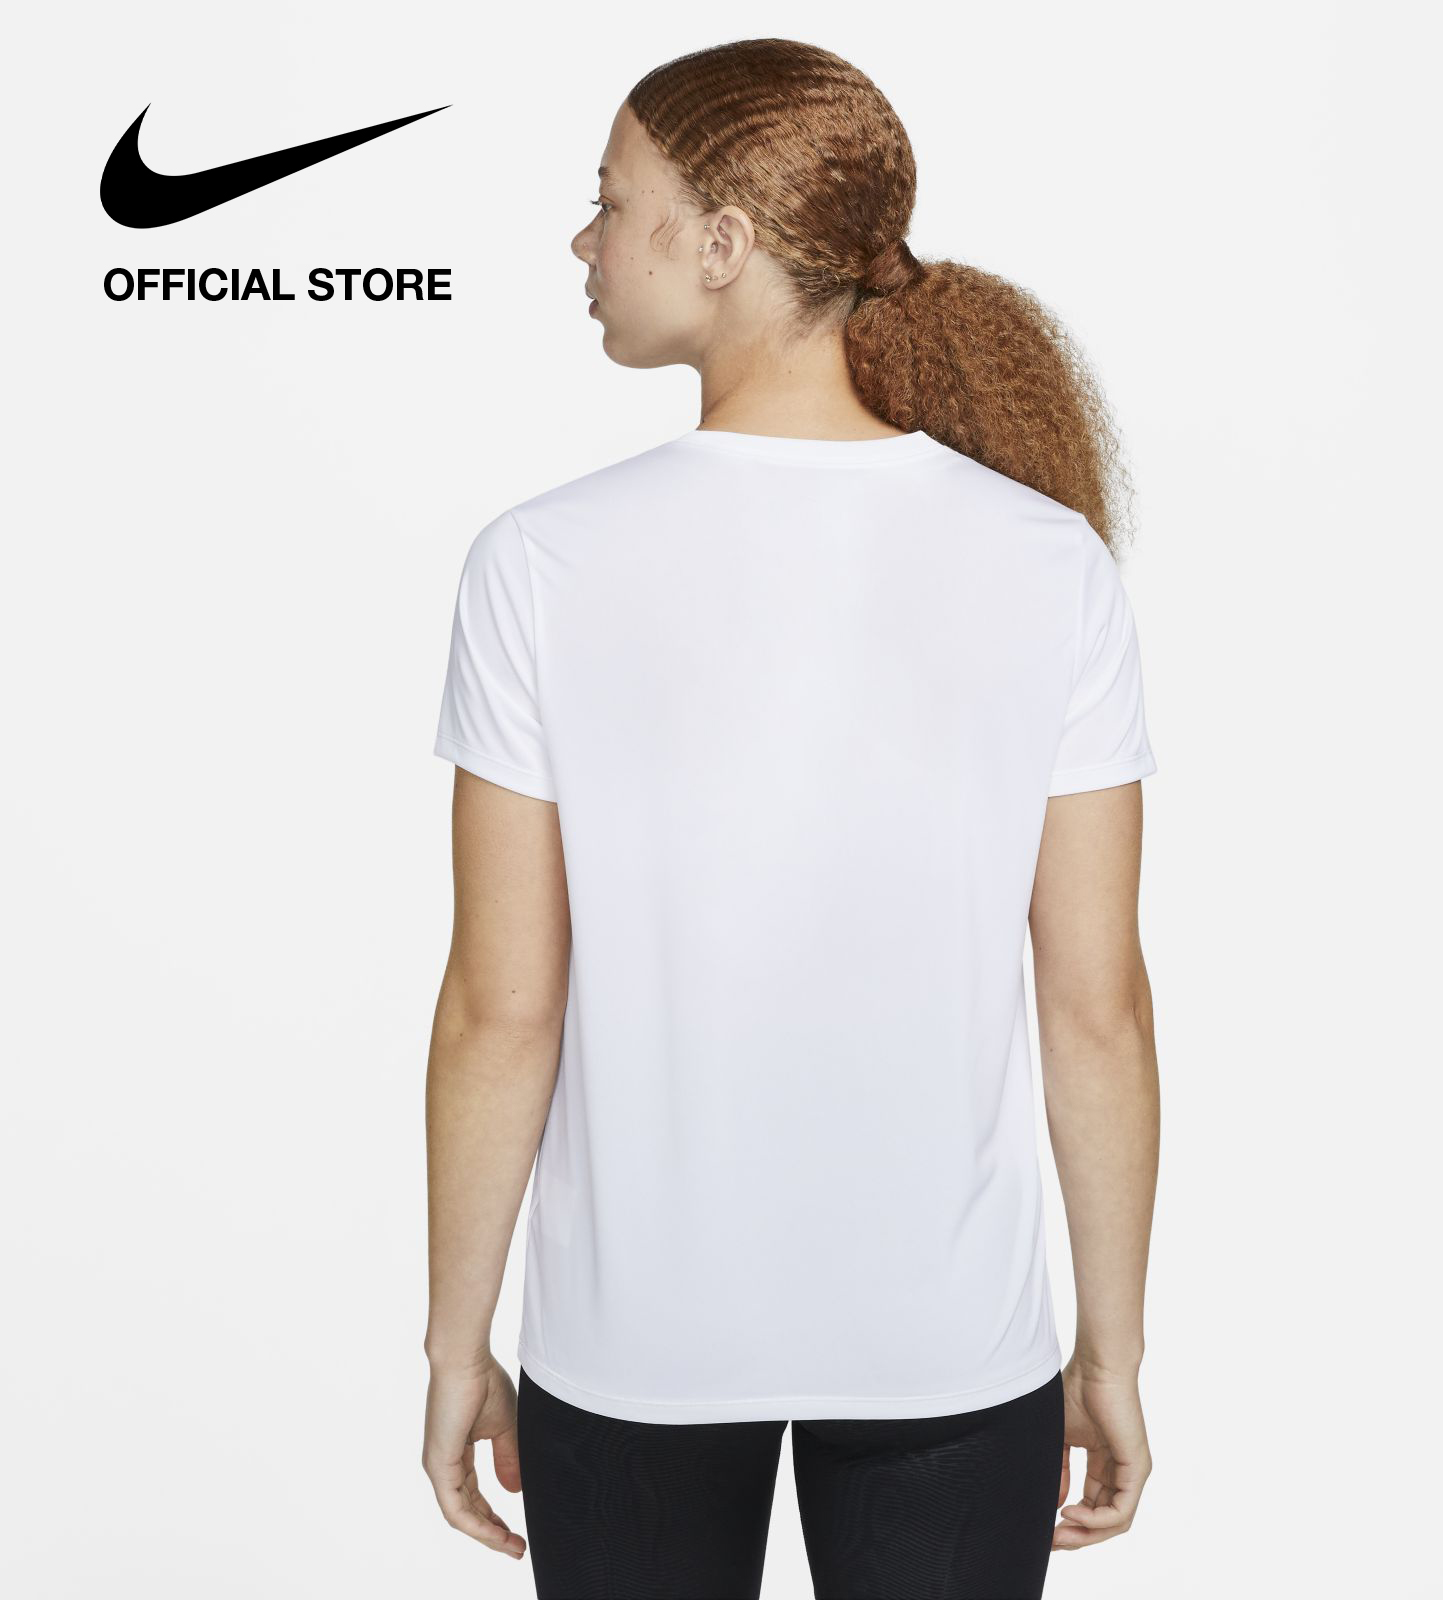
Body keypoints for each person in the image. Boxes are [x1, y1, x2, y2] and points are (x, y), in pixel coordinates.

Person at [421, 38, 1159, 1600]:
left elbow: (503, 1006)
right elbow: (1095, 1007)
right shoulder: (1050, 563)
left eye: (608, 201)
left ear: (722, 241)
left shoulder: (541, 565)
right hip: (954, 1347)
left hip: (630, 1348)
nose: (583, 241)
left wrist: (454, 1339)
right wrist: (1112, 1347)